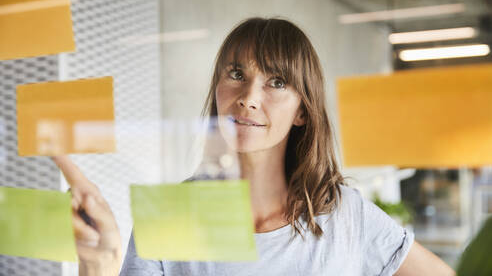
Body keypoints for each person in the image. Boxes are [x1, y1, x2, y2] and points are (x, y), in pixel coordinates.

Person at [52, 18, 456, 276]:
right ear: (217, 88)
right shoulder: (169, 216)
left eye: (277, 82)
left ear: (302, 111)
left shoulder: (345, 215)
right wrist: (97, 264)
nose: (248, 96)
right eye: (236, 73)